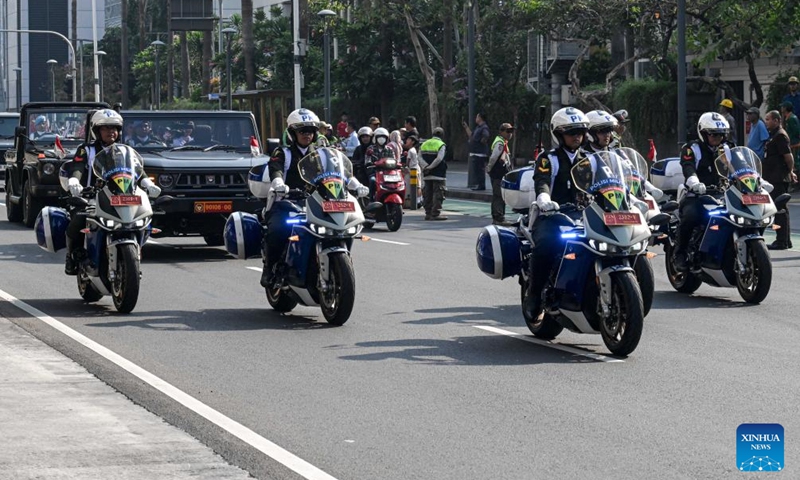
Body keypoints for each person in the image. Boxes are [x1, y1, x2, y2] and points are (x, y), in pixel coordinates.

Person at [259, 108, 368, 287]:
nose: (307, 135)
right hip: (288, 201)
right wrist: (278, 182)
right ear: (293, 132)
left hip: (317, 201)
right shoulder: (283, 152)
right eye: (302, 131)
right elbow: (275, 168)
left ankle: (336, 264)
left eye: (310, 131)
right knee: (279, 229)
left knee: (343, 226)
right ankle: (269, 269)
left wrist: (357, 185)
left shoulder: (322, 153)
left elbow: (342, 173)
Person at [63, 109, 161, 275]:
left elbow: (137, 170)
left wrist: (147, 183)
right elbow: (78, 167)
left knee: (145, 216)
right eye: (106, 128)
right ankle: (73, 256)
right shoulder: (86, 149)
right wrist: (74, 181)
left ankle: (135, 252)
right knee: (78, 219)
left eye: (114, 128)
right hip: (92, 196)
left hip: (121, 195)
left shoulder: (125, 150)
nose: (111, 132)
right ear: (96, 131)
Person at [523, 107, 590, 318]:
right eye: (571, 132)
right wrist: (544, 198)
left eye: (580, 131)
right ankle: (534, 294)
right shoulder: (548, 158)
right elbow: (541, 181)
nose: (576, 136)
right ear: (559, 134)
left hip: (584, 214)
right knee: (548, 245)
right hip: (553, 215)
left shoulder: (590, 158)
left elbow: (608, 182)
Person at [672, 112, 735, 271]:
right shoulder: (691, 148)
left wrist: (757, 180)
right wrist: (694, 181)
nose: (717, 138)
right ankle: (680, 254)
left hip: (723, 195)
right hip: (697, 195)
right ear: (703, 133)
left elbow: (741, 167)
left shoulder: (727, 148)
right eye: (713, 134)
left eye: (721, 135)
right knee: (691, 216)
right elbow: (688, 167)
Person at [763, 110, 797, 250]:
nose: (766, 122)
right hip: (773, 178)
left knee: (779, 210)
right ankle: (785, 240)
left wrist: (790, 171)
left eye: (768, 119)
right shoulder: (774, 135)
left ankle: (781, 241)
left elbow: (788, 157)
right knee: (780, 209)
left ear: (776, 120)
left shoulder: (780, 136)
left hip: (778, 178)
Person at [487, 123, 514, 225]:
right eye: (507, 131)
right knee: (498, 195)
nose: (510, 134)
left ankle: (499, 216)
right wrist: (489, 168)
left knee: (501, 195)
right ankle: (498, 218)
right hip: (497, 173)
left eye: (511, 131)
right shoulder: (500, 143)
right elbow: (494, 157)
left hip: (501, 173)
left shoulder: (504, 142)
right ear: (501, 132)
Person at [419, 127, 448, 220]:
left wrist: (425, 167)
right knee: (438, 193)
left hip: (427, 174)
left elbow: (419, 157)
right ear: (442, 136)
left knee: (428, 193)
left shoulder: (424, 144)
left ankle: (428, 213)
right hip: (438, 174)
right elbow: (439, 158)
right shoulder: (441, 145)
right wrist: (431, 167)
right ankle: (435, 213)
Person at [463, 113, 490, 190]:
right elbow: (471, 136)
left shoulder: (484, 127)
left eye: (477, 116)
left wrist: (482, 141)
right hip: (476, 152)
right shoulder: (478, 127)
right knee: (476, 170)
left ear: (480, 118)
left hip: (480, 153)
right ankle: (479, 184)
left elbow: (486, 135)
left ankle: (481, 185)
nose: (476, 118)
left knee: (479, 170)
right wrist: (466, 127)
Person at [780, 101, 800, 174]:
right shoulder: (787, 118)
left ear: (785, 108)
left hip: (794, 144)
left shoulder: (792, 118)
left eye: (782, 107)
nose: (781, 108)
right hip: (791, 143)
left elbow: (796, 131)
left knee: (795, 162)